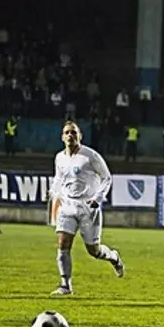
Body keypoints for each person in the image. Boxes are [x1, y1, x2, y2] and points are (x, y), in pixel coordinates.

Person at [48, 121, 125, 295]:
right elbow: (58, 178)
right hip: (67, 205)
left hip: (88, 207)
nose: (70, 136)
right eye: (67, 132)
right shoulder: (59, 157)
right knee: (62, 243)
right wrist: (53, 191)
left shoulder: (90, 156)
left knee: (94, 251)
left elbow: (106, 178)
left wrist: (98, 198)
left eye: (73, 133)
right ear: (62, 137)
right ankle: (65, 285)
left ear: (80, 136)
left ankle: (113, 257)